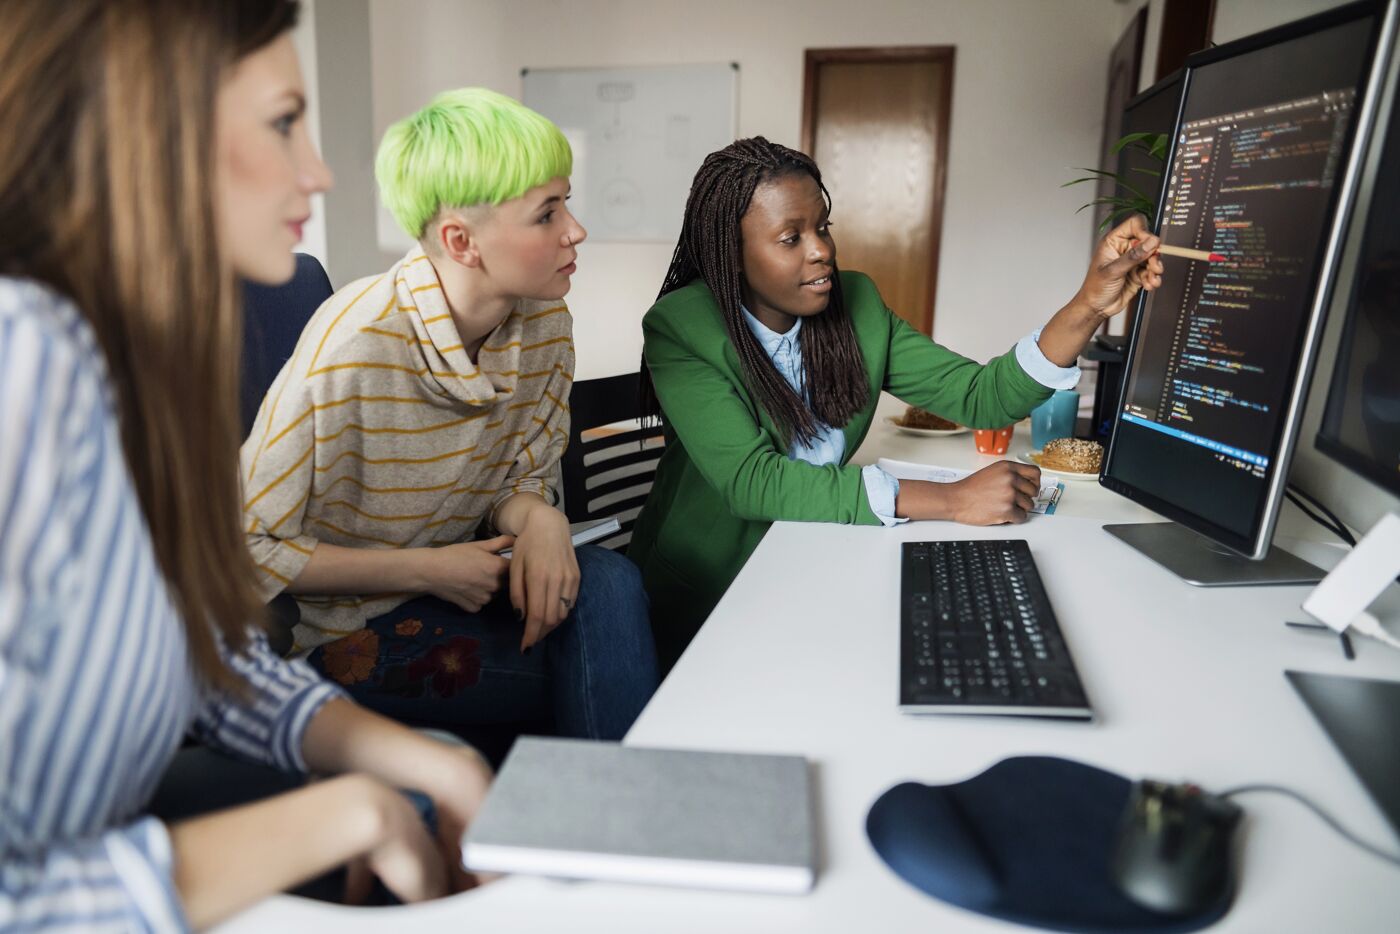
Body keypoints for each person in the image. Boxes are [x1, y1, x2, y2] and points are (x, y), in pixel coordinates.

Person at [0, 1, 498, 927]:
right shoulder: (18, 351)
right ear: (141, 129)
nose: (317, 169)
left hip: (112, 835)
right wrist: (343, 813)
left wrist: (427, 763)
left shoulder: (143, 364)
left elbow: (209, 655)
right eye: (282, 122)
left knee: (429, 771)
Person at [629, 137, 1164, 671]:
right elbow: (753, 482)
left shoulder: (856, 303)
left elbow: (984, 397)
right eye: (790, 238)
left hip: (817, 555)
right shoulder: (682, 326)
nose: (821, 250)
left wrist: (1091, 302)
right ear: (732, 253)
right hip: (713, 593)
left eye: (823, 227)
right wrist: (954, 499)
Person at [239, 88, 658, 741]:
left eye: (566, 202)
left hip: (465, 582)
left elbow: (521, 475)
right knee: (614, 674)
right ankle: (618, 821)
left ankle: (610, 815)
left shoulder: (545, 319)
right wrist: (425, 568)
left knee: (608, 581)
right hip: (351, 624)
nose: (575, 230)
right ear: (462, 242)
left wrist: (542, 517)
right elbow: (246, 547)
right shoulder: (353, 347)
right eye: (547, 213)